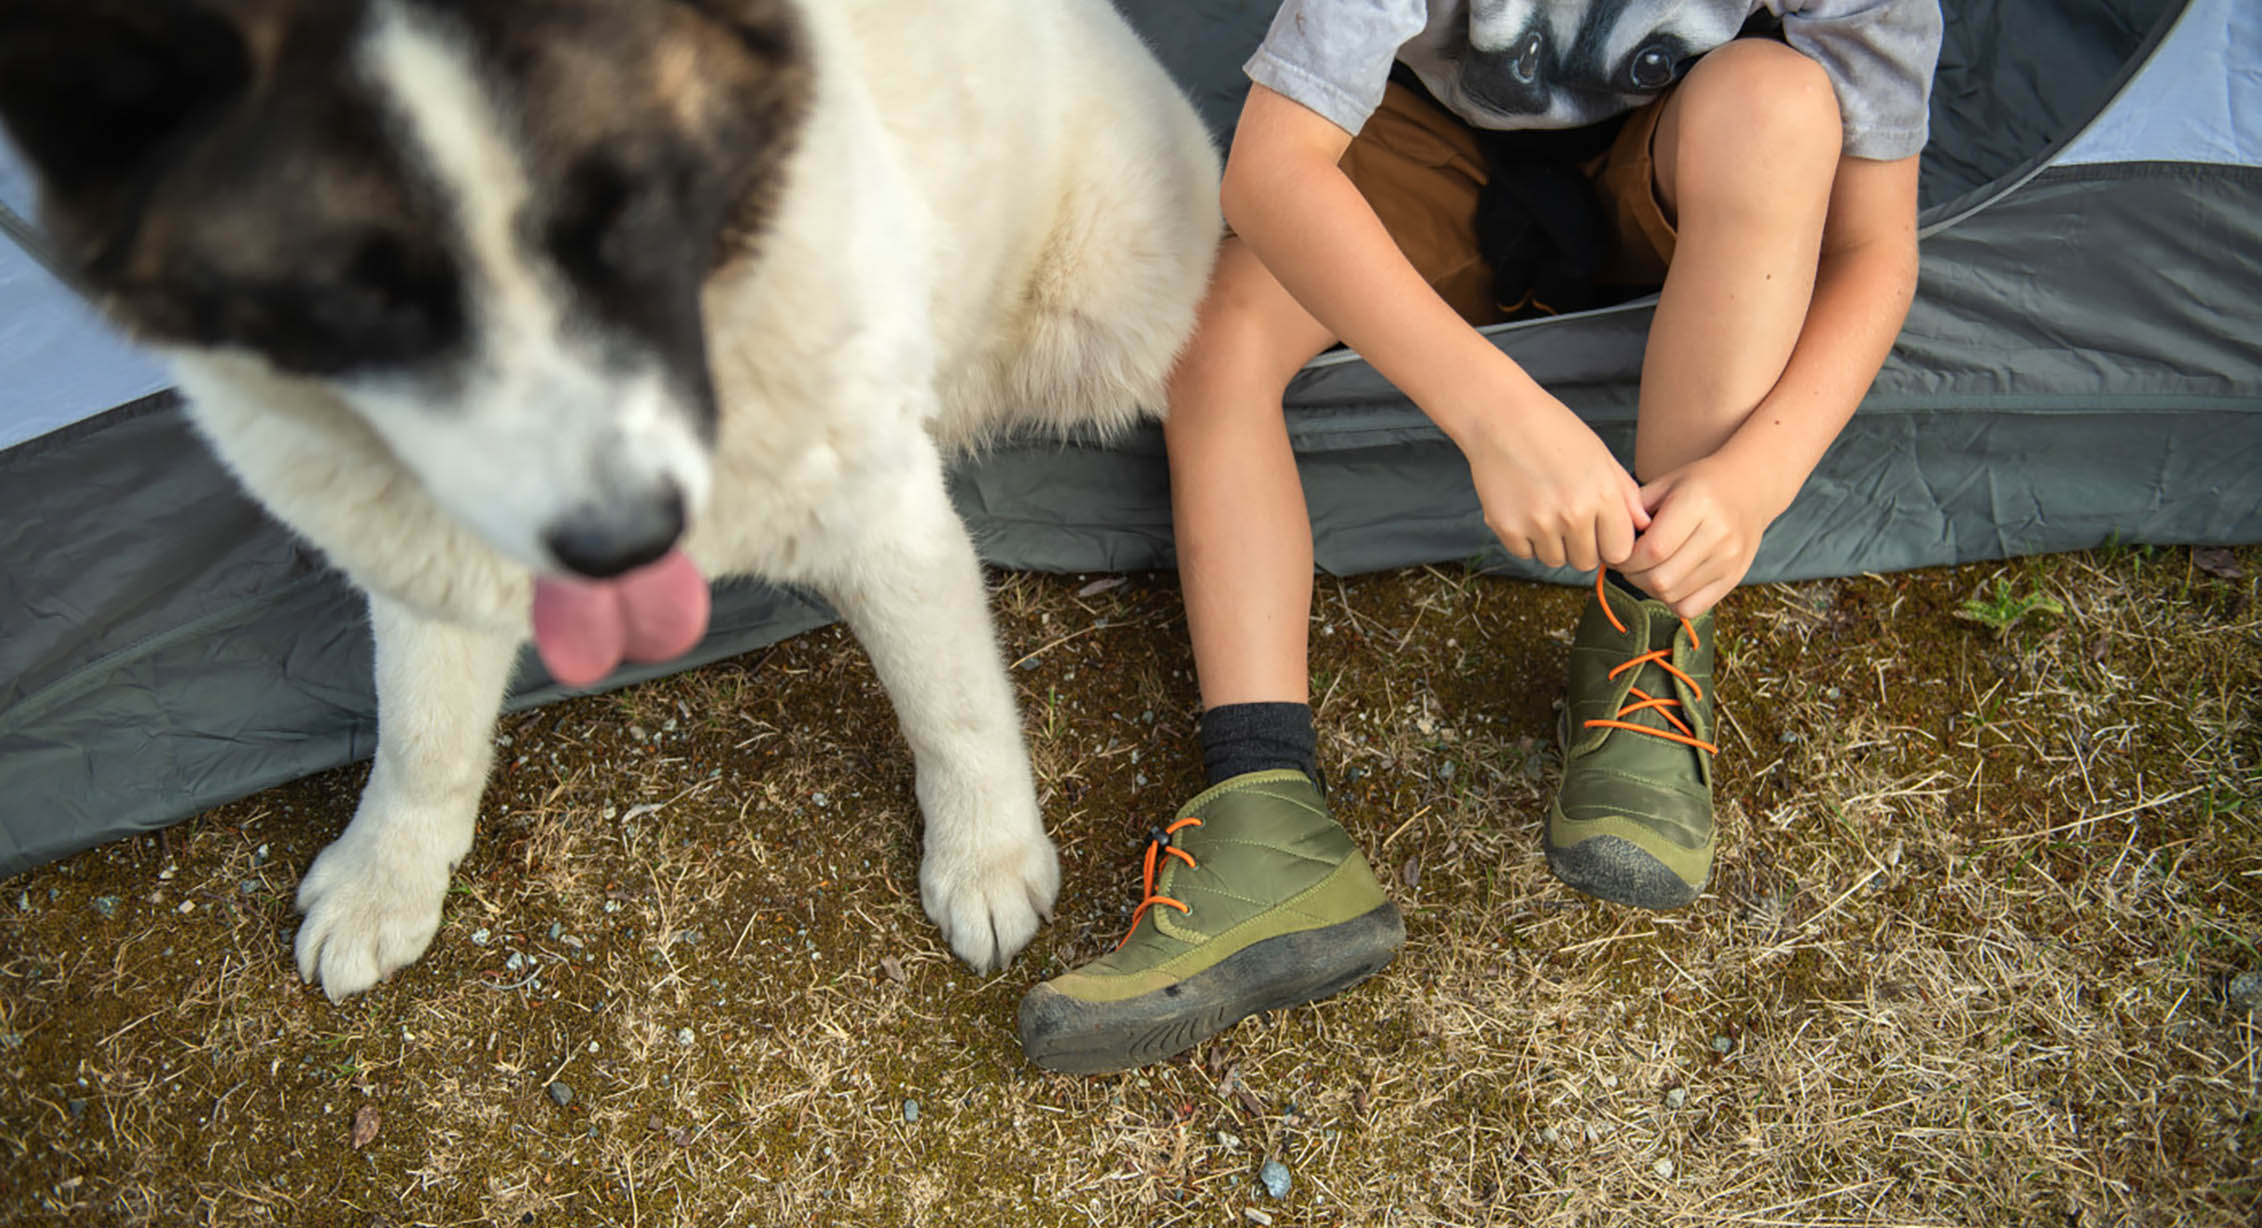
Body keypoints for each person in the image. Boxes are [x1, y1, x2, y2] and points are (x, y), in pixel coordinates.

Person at [1018, 0, 1942, 1075]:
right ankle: (1267, 814)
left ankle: (1645, 651)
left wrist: (1756, 478)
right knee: (1212, 337)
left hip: (1686, 162)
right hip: (1426, 141)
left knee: (1779, 104)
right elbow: (1272, 173)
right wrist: (1495, 416)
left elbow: (1876, 247)